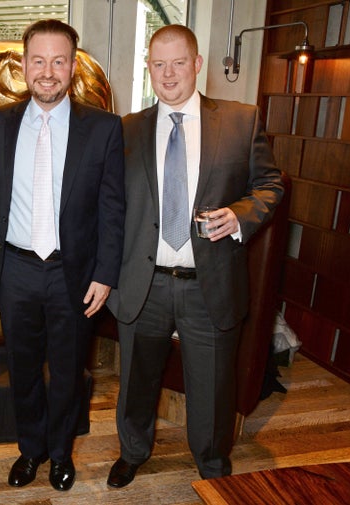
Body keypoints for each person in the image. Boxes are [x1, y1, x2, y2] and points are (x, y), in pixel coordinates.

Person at [106, 24, 284, 488]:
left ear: (198, 63)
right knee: (136, 381)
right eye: (158, 63)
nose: (168, 74)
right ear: (148, 66)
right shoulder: (125, 130)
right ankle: (133, 452)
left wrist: (241, 216)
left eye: (178, 62)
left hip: (209, 282)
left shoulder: (241, 120)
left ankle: (212, 467)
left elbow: (270, 184)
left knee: (212, 387)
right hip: (143, 282)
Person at [0, 19, 125, 492]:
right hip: (16, 269)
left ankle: (62, 454)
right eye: (39, 61)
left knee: (68, 372)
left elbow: (112, 207)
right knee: (22, 370)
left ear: (74, 67)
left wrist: (106, 273)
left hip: (75, 271)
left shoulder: (104, 128)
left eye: (59, 61)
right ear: (24, 65)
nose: (48, 71)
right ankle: (31, 451)